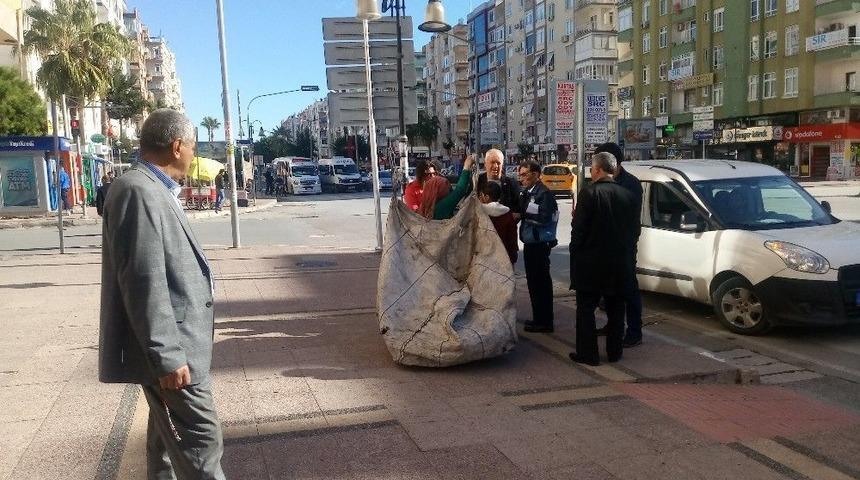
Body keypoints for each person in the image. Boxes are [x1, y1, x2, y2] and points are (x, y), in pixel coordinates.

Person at [98, 109, 225, 479]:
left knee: (165, 442)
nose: (193, 154)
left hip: (179, 345)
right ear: (177, 146)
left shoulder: (151, 188)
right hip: (175, 351)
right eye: (193, 146)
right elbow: (142, 279)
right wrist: (166, 355)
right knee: (202, 440)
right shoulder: (138, 190)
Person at [568, 152, 640, 366]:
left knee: (586, 311)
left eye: (591, 168)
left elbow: (578, 231)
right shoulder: (629, 196)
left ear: (598, 170)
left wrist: (576, 254)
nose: (591, 171)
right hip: (619, 264)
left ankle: (588, 354)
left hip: (591, 264)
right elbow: (635, 231)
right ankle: (614, 352)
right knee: (617, 310)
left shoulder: (589, 194)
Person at [593, 142, 644, 348]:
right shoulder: (602, 181)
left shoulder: (630, 184)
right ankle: (614, 326)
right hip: (605, 246)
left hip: (623, 245)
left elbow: (626, 217)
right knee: (609, 290)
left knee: (628, 289)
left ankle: (634, 331)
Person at [518, 160, 559, 333]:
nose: (522, 179)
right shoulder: (528, 192)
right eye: (520, 175)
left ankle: (545, 321)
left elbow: (545, 217)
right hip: (531, 244)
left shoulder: (544, 193)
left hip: (539, 245)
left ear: (535, 174)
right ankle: (538, 319)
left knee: (541, 284)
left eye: (525, 174)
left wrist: (524, 213)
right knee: (534, 283)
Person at [419, 154, 475, 220]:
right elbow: (460, 190)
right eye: (446, 187)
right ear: (438, 190)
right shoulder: (441, 207)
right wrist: (467, 167)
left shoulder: (424, 208)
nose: (449, 189)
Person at [479, 181, 518, 264]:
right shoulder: (507, 213)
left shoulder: (480, 212)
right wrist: (512, 256)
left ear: (486, 197)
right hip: (504, 255)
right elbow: (512, 236)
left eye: (481, 195)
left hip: (483, 256)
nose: (480, 198)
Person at [477, 148, 521, 218]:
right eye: (492, 162)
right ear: (485, 164)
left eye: (498, 163)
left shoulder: (512, 184)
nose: (496, 166)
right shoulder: (477, 181)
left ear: (502, 164)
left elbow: (518, 210)